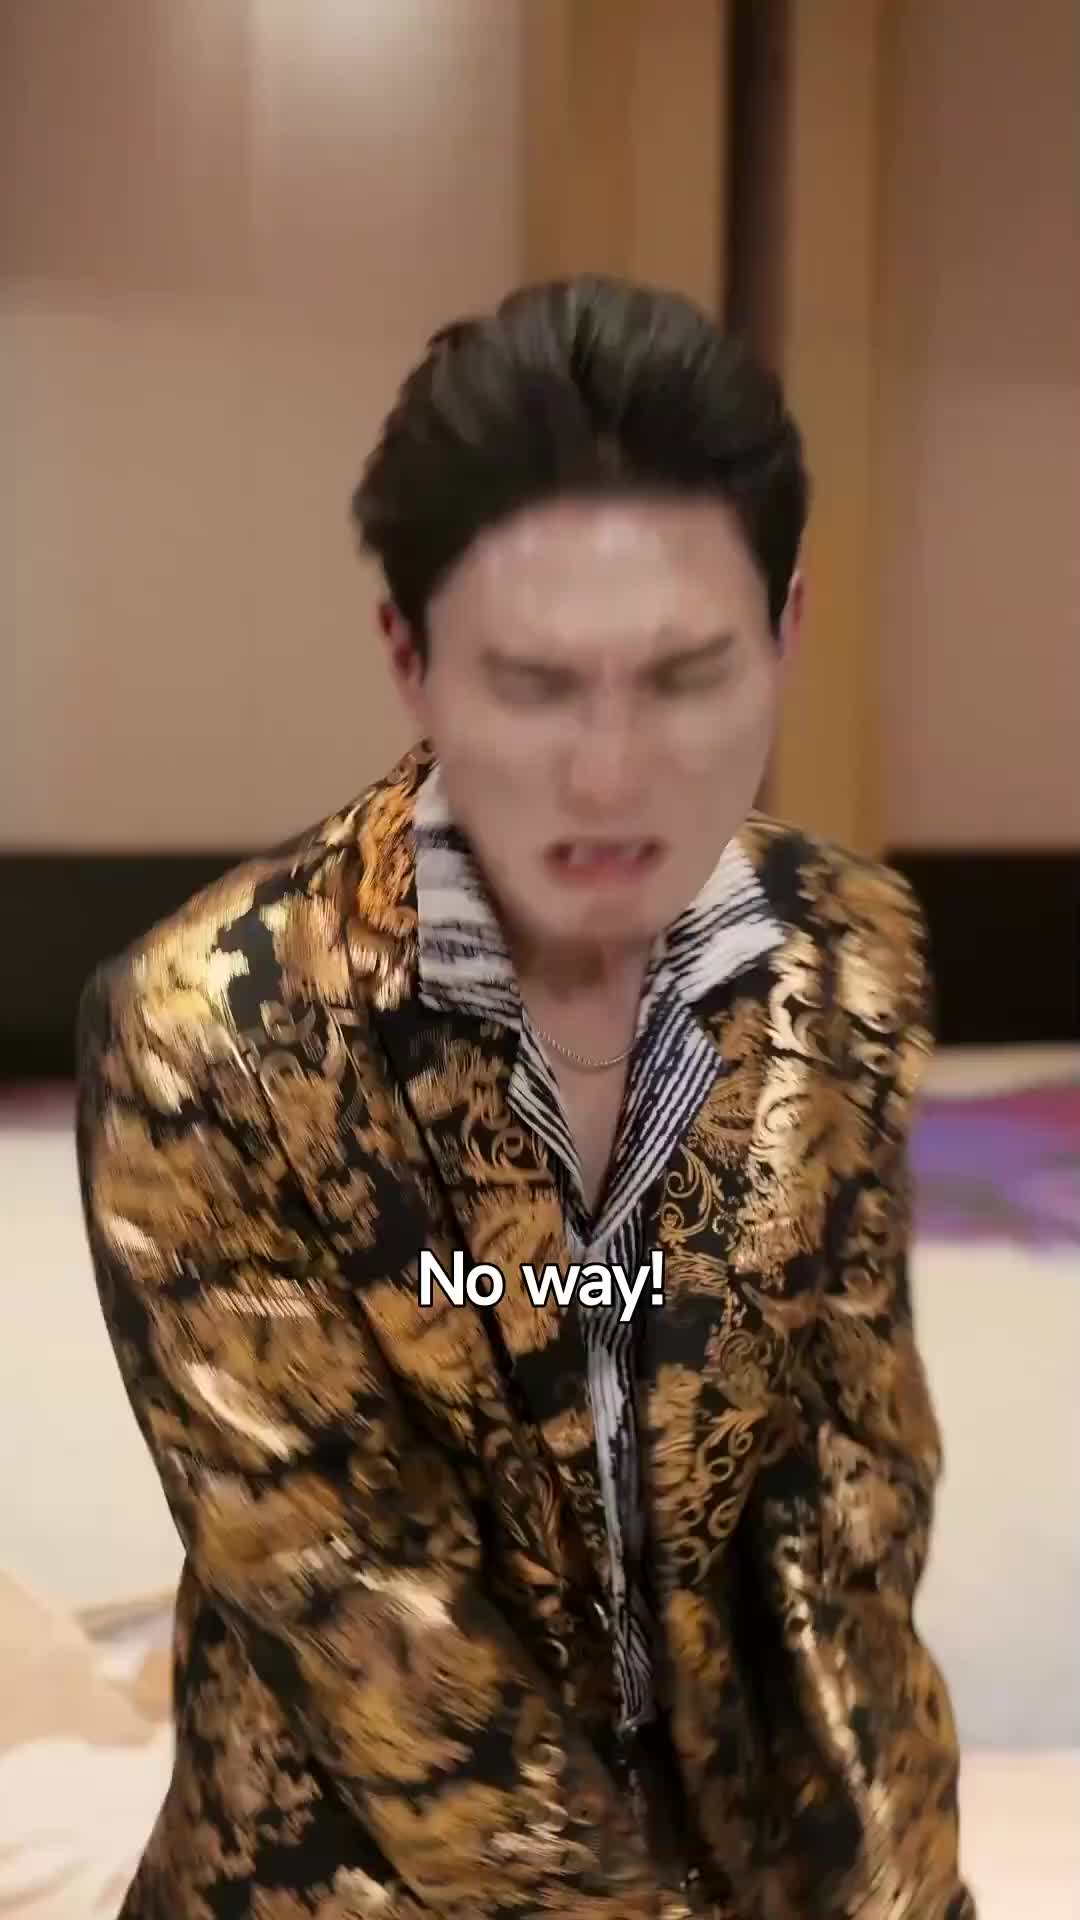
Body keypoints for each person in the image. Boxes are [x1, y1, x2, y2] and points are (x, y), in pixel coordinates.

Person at [76, 277, 973, 1919]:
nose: (612, 775)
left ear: (788, 629)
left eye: (688, 676)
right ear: (410, 660)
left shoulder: (847, 960)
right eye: (534, 684)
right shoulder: (216, 1037)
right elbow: (365, 1620)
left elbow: (846, 1537)